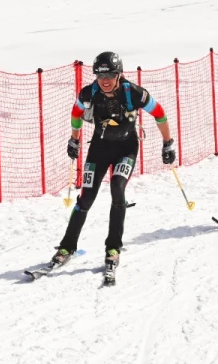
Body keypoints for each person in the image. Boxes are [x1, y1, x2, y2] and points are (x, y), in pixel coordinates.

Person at [47, 51, 176, 284]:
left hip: (126, 149)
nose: (104, 81)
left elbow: (160, 114)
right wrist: (74, 139)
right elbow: (76, 114)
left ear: (119, 75)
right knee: (86, 197)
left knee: (118, 188)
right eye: (100, 76)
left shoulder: (134, 92)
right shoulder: (89, 93)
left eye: (110, 75)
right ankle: (67, 247)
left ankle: (113, 248)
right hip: (99, 149)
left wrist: (167, 143)